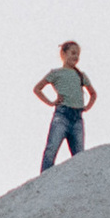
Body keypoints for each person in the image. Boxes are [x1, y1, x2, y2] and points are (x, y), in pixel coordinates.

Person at [34, 41, 97, 169]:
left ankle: (81, 181)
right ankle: (44, 180)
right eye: (73, 53)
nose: (75, 57)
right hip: (62, 115)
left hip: (77, 118)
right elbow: (37, 89)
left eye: (78, 54)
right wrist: (50, 102)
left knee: (79, 154)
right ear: (63, 54)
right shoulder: (56, 73)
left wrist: (87, 107)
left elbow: (93, 94)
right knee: (51, 149)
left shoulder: (81, 75)